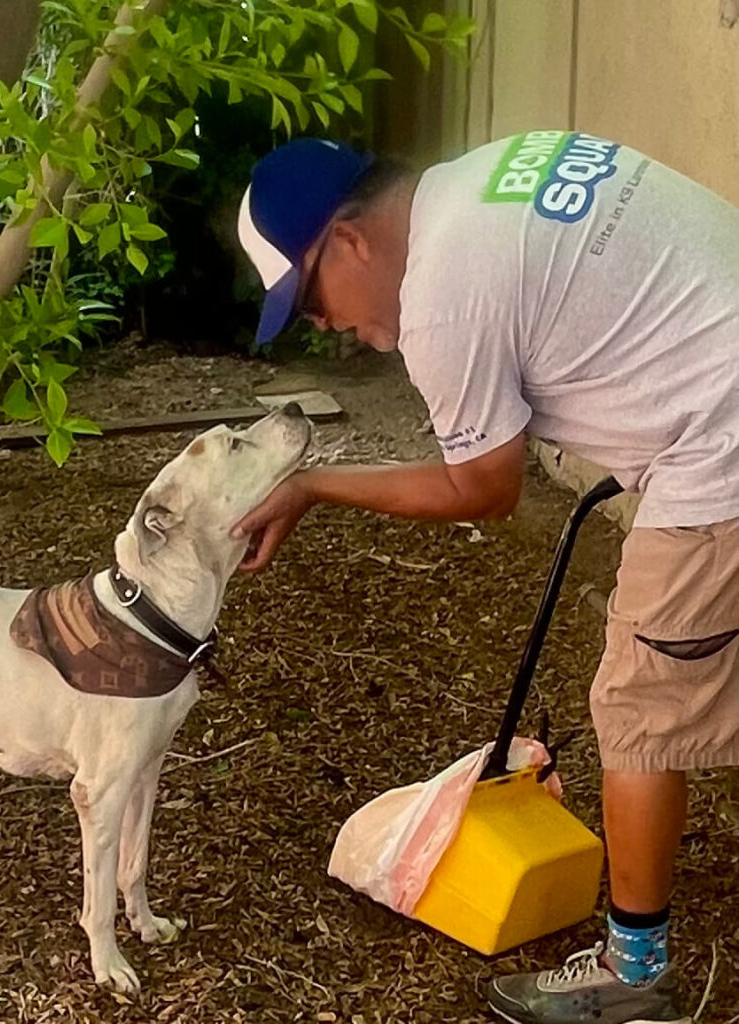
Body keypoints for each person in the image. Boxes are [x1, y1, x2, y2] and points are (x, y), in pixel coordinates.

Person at [234, 134, 739, 1024]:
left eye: (310, 300)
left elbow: (484, 488)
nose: (328, 327)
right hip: (715, 399)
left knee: (639, 708)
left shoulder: (440, 295)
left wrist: (314, 485)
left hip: (721, 445)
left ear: (349, 239)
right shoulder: (491, 174)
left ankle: (635, 978)